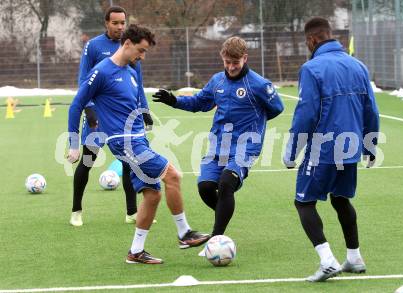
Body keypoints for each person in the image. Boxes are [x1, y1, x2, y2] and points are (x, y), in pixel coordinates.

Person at [67, 24, 210, 264]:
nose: (142, 56)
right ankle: (184, 233)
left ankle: (136, 251)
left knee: (152, 195)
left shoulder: (132, 71)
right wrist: (73, 144)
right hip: (122, 142)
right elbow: (76, 104)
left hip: (138, 139)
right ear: (127, 44)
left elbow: (134, 102)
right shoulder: (101, 72)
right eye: (140, 51)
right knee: (173, 176)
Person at [153, 37, 284, 244]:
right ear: (222, 58)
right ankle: (225, 209)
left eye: (236, 62)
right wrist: (174, 101)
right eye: (227, 62)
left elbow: (277, 108)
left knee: (225, 183)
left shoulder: (259, 85)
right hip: (218, 145)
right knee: (205, 187)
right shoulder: (217, 81)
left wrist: (254, 128)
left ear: (245, 58)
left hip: (245, 148)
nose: (231, 67)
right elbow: (199, 102)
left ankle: (216, 239)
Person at [283, 17, 379, 282]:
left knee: (304, 202)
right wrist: (371, 145)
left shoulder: (312, 68)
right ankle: (354, 257)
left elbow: (305, 114)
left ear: (312, 40)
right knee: (340, 199)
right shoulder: (358, 66)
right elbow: (371, 109)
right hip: (351, 149)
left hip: (323, 150)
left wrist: (292, 152)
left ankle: (327, 261)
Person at [70, 6, 154, 226]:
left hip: (122, 123)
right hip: (97, 121)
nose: (119, 27)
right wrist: (89, 110)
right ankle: (76, 210)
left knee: (129, 165)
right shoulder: (94, 46)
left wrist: (144, 112)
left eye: (123, 22)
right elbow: (84, 81)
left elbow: (137, 85)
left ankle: (132, 212)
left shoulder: (133, 47)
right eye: (115, 23)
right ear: (106, 23)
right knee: (87, 162)